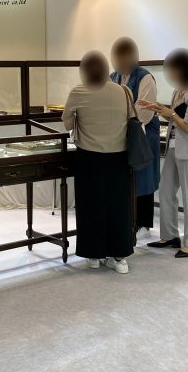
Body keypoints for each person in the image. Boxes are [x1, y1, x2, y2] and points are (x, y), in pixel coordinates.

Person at [62, 51, 135, 274]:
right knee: (118, 206)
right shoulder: (123, 91)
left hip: (89, 157)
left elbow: (67, 123)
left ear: (84, 71)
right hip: (119, 157)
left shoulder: (79, 91)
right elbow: (130, 118)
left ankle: (93, 254)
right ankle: (120, 257)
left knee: (91, 206)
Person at [142, 49, 188, 258]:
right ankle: (170, 236)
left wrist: (169, 113)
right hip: (173, 147)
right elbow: (174, 117)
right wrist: (159, 109)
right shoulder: (179, 90)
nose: (170, 73)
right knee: (165, 191)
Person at [110, 37, 160, 240]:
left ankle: (143, 223)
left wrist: (122, 117)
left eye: (125, 58)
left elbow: (144, 111)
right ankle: (128, 220)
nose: (121, 62)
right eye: (118, 58)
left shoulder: (145, 77)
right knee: (126, 179)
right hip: (121, 134)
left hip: (143, 134)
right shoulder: (112, 77)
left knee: (144, 176)